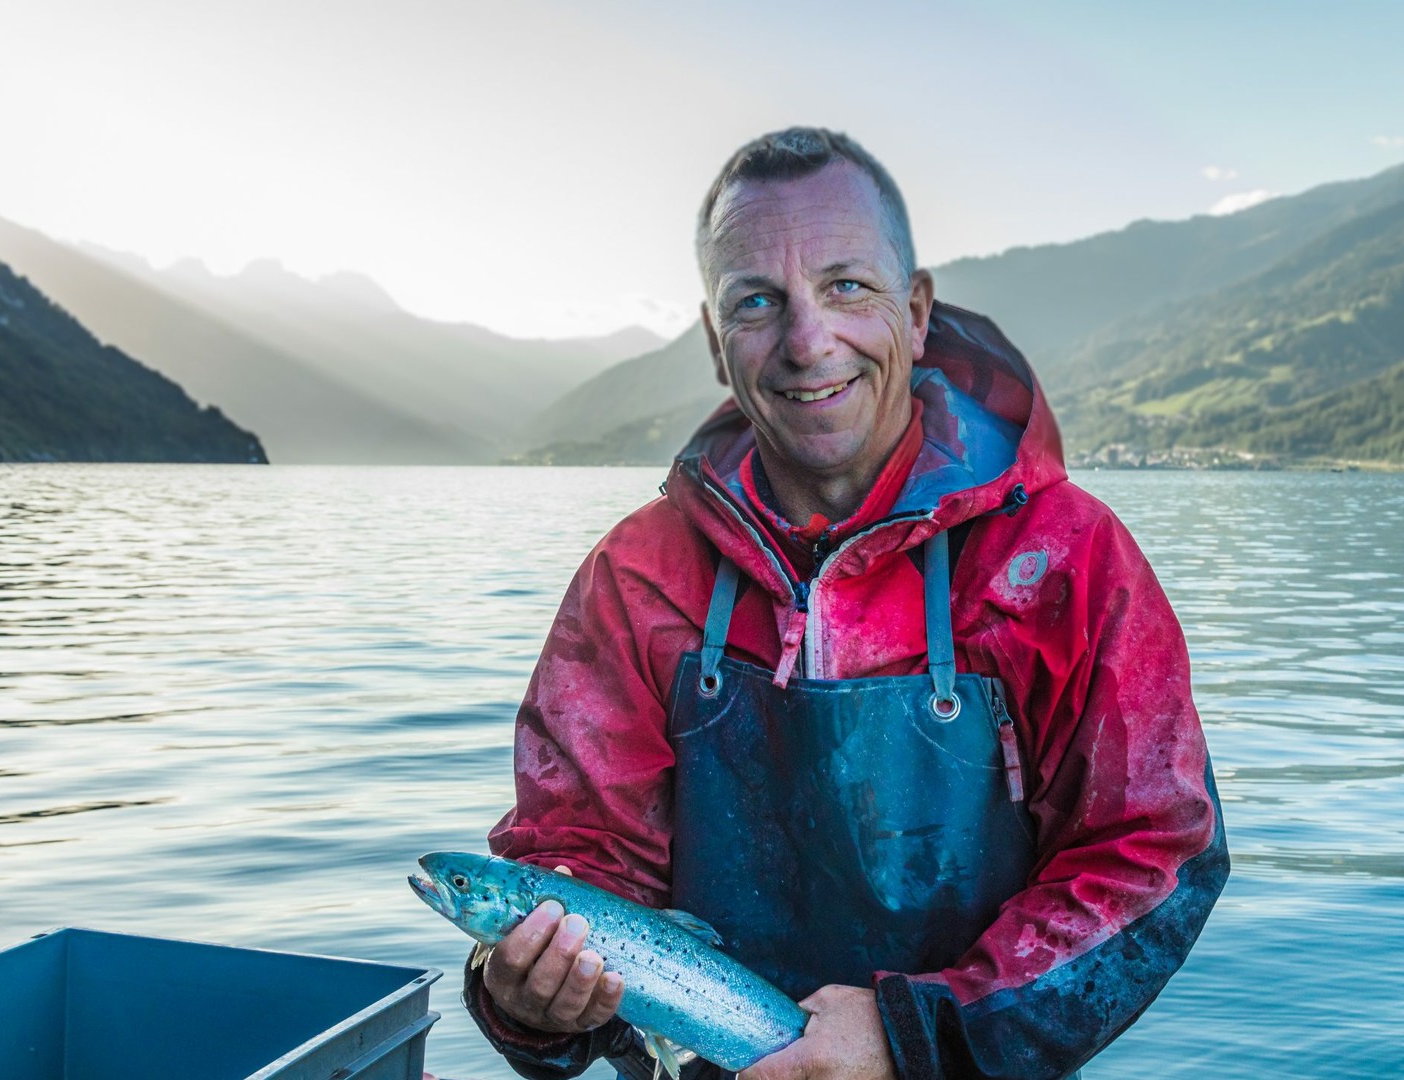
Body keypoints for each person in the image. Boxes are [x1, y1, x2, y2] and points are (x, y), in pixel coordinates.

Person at [462, 127, 1228, 1080]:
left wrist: (918, 1036)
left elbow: (1157, 852)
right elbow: (576, 856)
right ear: (714, 341)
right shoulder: (634, 576)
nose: (807, 340)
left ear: (914, 311)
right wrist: (529, 997)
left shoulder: (1063, 558)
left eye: (847, 287)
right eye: (757, 302)